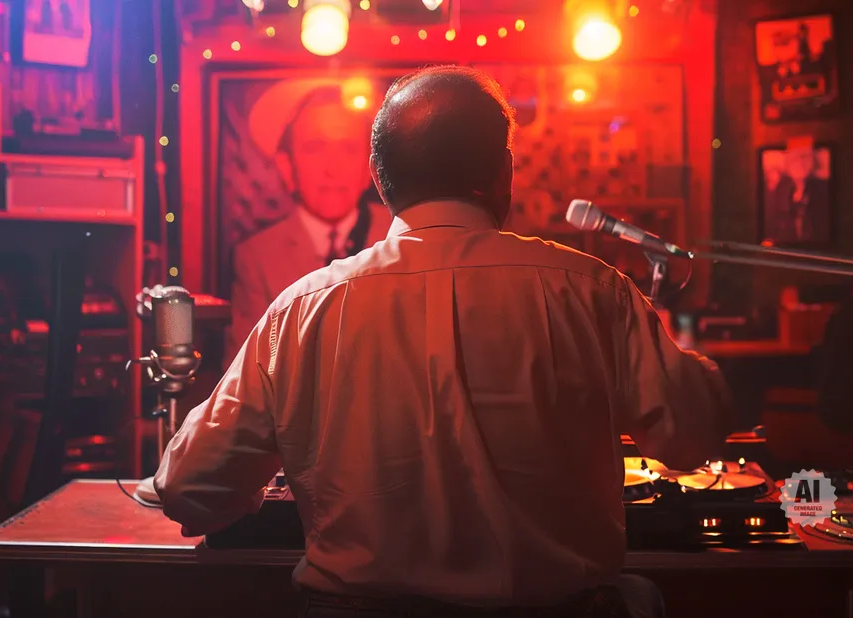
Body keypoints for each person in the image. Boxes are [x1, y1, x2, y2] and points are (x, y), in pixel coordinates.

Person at [155, 66, 733, 617]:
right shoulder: (591, 289)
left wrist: (260, 492)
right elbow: (692, 437)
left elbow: (189, 488)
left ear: (379, 180)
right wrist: (697, 370)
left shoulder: (303, 309)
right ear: (505, 172)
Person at [226, 80, 392, 365]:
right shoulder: (257, 258)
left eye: (349, 149)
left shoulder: (401, 236)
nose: (332, 168)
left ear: (371, 168)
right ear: (286, 166)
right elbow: (243, 372)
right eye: (315, 148)